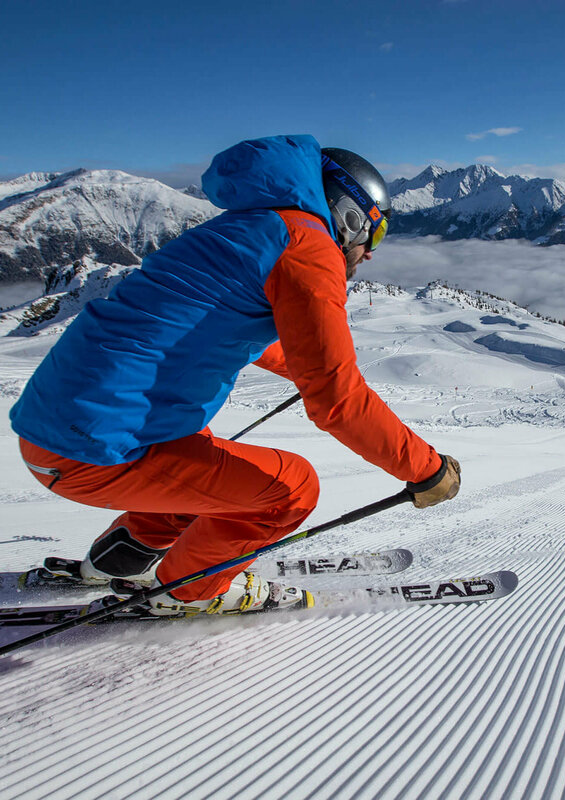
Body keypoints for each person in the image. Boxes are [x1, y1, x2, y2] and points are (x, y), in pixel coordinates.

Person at [10, 135, 461, 616]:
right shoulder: (307, 245)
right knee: (290, 490)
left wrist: (303, 369)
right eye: (374, 233)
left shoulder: (250, 227)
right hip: (94, 453)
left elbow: (214, 325)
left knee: (210, 468)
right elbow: (338, 403)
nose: (369, 252)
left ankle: (118, 563)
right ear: (349, 216)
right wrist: (426, 470)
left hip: (55, 435)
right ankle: (186, 592)